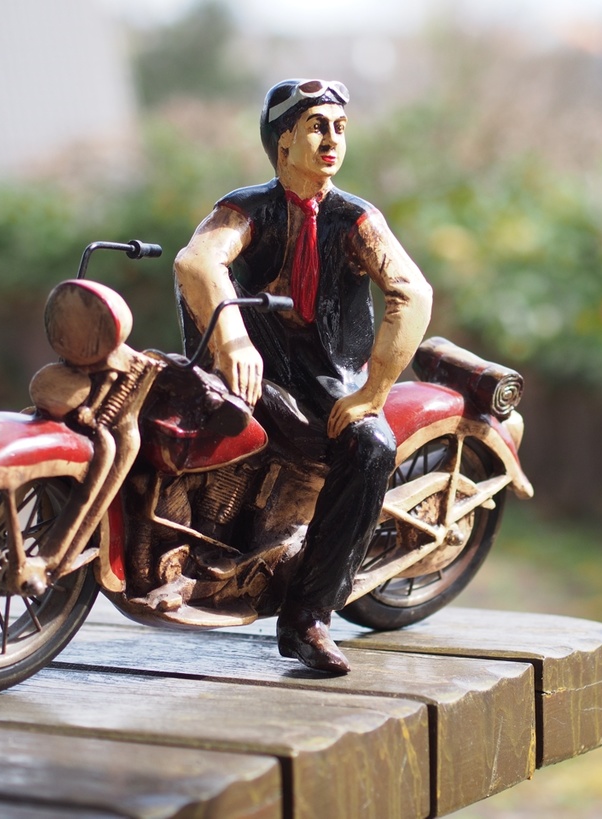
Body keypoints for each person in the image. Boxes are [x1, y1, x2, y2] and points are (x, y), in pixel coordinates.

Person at [173, 79, 432, 673]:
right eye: (317, 127)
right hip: (242, 368)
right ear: (284, 139)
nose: (332, 140)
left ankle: (308, 615)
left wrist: (373, 391)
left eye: (340, 128)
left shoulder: (356, 219)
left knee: (371, 446)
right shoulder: (246, 209)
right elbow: (198, 260)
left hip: (326, 380)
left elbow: (412, 292)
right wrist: (233, 341)